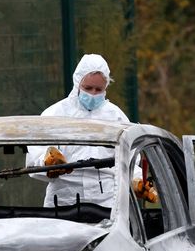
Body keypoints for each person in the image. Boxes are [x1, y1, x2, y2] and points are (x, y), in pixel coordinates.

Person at [26, 54, 129, 208]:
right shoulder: (54, 115)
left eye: (98, 89)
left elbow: (130, 159)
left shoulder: (117, 117)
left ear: (106, 87)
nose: (93, 94)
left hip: (107, 202)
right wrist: (47, 164)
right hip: (63, 201)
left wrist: (137, 180)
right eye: (88, 88)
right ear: (77, 83)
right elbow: (35, 159)